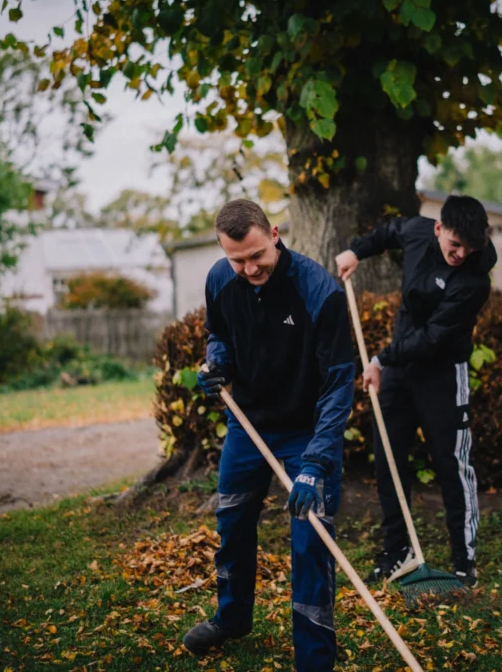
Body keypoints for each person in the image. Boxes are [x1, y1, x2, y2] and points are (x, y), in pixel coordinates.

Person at [183, 199, 355, 671]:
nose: (249, 267)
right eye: (237, 259)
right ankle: (232, 618)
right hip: (249, 423)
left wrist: (316, 464)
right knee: (233, 522)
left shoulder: (318, 291)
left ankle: (315, 660)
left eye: (256, 255)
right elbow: (217, 334)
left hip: (306, 430)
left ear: (274, 233)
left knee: (310, 539)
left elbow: (340, 383)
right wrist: (217, 365)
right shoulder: (221, 279)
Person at [333, 196, 496, 587]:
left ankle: (463, 561)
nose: (460, 254)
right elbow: (389, 231)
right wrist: (357, 250)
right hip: (399, 369)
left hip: (441, 371)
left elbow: (433, 339)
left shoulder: (473, 280)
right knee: (389, 457)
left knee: (451, 463)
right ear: (438, 229)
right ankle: (396, 551)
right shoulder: (419, 231)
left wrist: (379, 360)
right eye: (454, 245)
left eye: (469, 248)